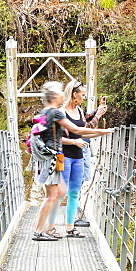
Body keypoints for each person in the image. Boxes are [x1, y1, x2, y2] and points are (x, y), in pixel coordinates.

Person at [32, 81, 112, 241]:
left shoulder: (47, 111)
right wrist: (103, 130)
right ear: (55, 95)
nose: (63, 94)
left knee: (59, 192)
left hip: (57, 156)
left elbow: (82, 130)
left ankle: (49, 229)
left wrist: (99, 129)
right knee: (53, 195)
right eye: (60, 92)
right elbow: (76, 131)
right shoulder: (57, 113)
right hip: (57, 157)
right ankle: (42, 230)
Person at [60, 79, 107, 233]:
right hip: (63, 156)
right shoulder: (61, 113)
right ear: (74, 95)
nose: (84, 98)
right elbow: (85, 130)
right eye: (83, 95)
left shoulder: (79, 111)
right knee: (59, 192)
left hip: (78, 157)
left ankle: (70, 227)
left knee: (74, 192)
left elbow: (85, 122)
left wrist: (98, 111)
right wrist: (98, 117)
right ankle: (50, 228)